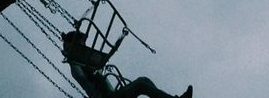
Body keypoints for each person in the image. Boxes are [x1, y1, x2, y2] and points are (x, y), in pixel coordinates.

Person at [61, 31, 191, 98]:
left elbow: (103, 59)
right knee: (140, 85)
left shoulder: (88, 61)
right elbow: (80, 76)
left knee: (143, 80)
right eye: (82, 43)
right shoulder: (76, 65)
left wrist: (120, 39)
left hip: (113, 95)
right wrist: (70, 56)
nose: (85, 46)